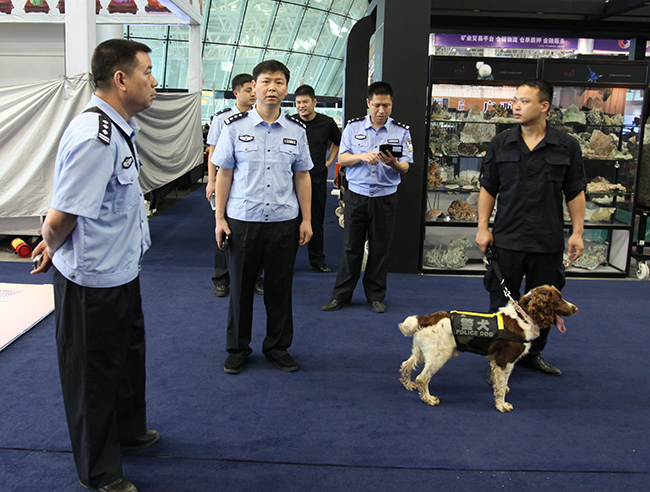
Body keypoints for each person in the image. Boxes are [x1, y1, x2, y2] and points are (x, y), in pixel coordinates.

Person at [30, 39, 159, 492]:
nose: (154, 81)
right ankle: (100, 472)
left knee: (126, 361)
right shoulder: (95, 136)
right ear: (121, 79)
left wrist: (55, 242)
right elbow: (62, 215)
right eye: (147, 72)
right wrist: (51, 245)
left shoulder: (118, 127)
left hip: (119, 269)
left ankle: (129, 432)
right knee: (93, 377)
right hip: (93, 283)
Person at [475, 78, 586, 376]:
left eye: (524, 101)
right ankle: (498, 359)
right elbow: (488, 188)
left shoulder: (566, 146)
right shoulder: (501, 143)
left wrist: (577, 232)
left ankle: (533, 353)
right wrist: (483, 228)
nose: (516, 106)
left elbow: (574, 191)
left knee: (544, 306)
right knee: (501, 303)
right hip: (507, 239)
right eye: (515, 100)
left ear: (544, 106)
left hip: (547, 242)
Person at [213, 60, 313, 374]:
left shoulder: (296, 131)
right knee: (240, 290)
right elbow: (223, 174)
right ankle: (238, 349)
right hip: (243, 220)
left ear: (286, 87)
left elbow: (303, 177)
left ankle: (277, 347)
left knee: (280, 289)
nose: (272, 88)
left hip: (284, 222)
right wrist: (219, 218)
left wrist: (306, 219)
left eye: (279, 82)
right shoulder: (234, 127)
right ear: (253, 86)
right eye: (266, 81)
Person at [322, 81, 412, 314]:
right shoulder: (353, 128)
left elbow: (405, 167)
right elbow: (342, 158)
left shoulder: (401, 131)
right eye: (377, 105)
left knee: (380, 249)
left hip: (385, 197)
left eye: (386, 106)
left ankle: (375, 296)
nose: (381, 111)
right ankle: (341, 295)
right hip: (357, 196)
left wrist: (393, 162)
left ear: (392, 105)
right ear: (368, 104)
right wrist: (362, 156)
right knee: (351, 247)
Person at [204, 73, 261, 297]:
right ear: (236, 93)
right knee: (225, 229)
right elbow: (212, 153)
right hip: (227, 183)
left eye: (254, 89)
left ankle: (256, 277)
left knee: (256, 232)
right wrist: (211, 181)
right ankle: (221, 278)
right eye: (248, 90)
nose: (253, 93)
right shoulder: (222, 119)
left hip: (253, 184)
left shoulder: (262, 117)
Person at [292, 84, 341, 273]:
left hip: (317, 179)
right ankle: (287, 260)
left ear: (314, 102)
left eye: (305, 102)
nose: (301, 106)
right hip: (293, 180)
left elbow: (338, 141)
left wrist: (328, 162)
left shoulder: (326, 123)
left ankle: (317, 259)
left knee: (316, 220)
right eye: (298, 103)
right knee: (291, 221)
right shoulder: (291, 122)